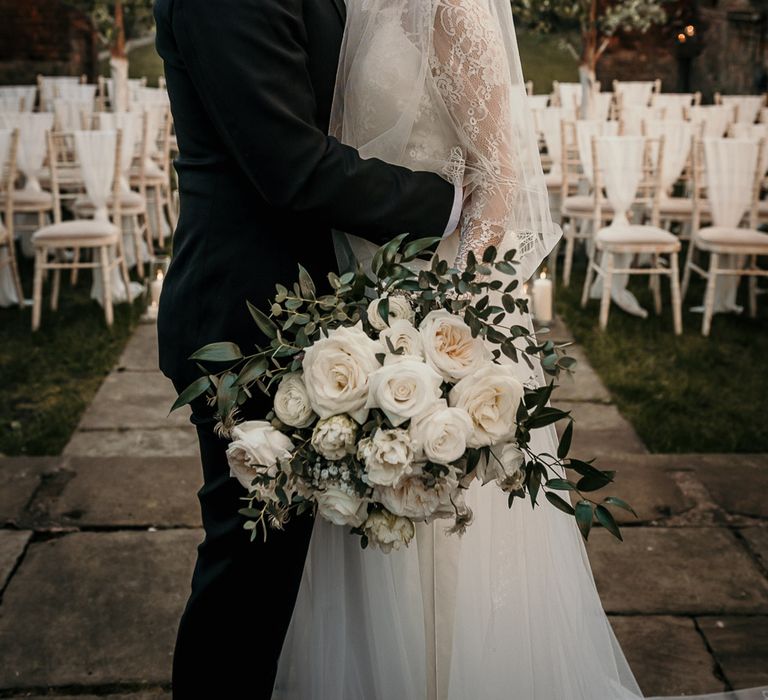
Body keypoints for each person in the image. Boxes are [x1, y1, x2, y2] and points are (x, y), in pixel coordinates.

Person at [270, 1, 768, 699]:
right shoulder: (356, 6)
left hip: (439, 314)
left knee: (450, 532)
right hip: (364, 306)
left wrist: (440, 320)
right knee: (372, 526)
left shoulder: (452, 5)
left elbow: (498, 175)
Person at [152, 0, 464, 697]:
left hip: (314, 310)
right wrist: (451, 202)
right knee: (248, 578)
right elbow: (291, 165)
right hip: (246, 321)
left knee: (283, 578)